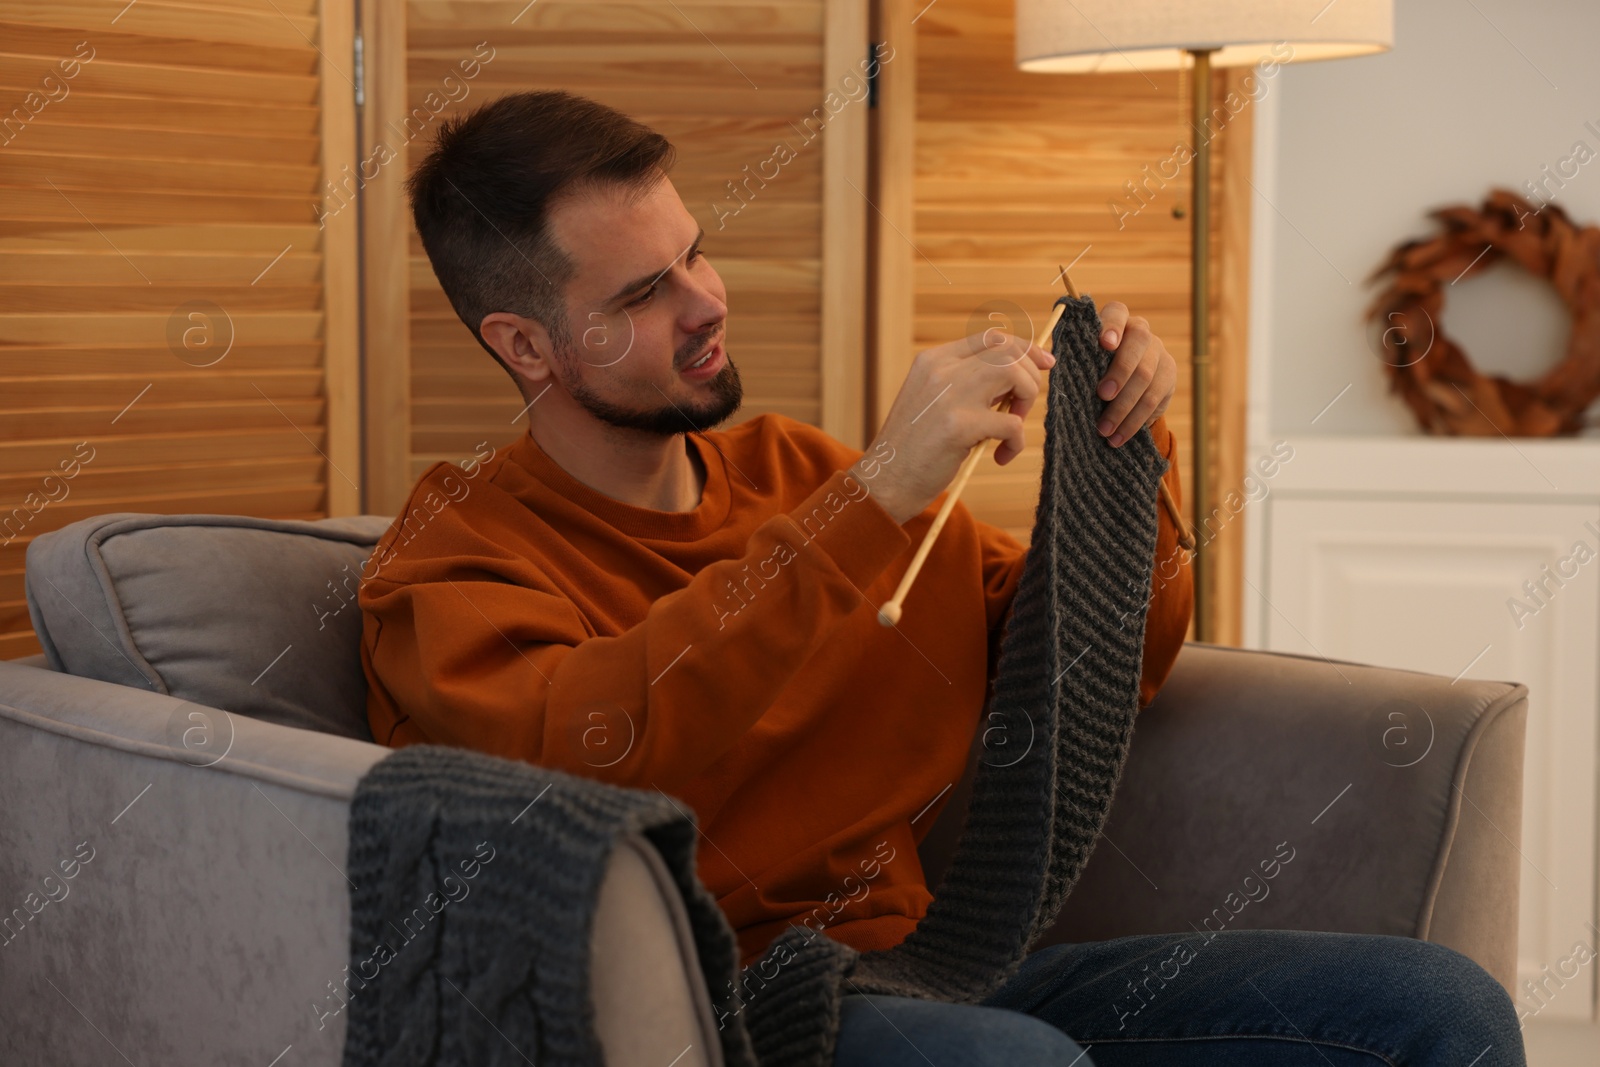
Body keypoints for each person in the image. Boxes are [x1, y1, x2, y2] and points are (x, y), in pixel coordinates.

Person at [358, 89, 1524, 1066]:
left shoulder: (793, 473)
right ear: (523, 344)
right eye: (639, 294)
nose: (705, 301)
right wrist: (869, 500)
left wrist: (1123, 447)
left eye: (694, 251)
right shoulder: (454, 555)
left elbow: (1091, 669)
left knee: (1435, 1006)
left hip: (940, 965)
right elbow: (588, 748)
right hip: (722, 1013)